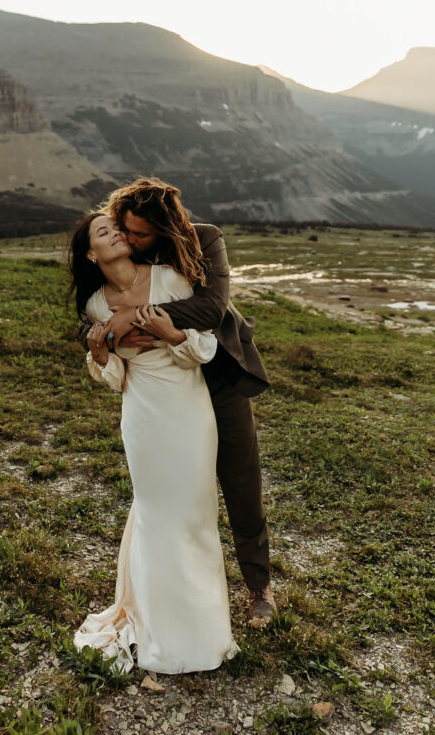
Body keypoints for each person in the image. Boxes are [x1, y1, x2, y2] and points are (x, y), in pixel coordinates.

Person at [96, 177, 276, 629]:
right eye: (126, 231)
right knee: (178, 495)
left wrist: (135, 318)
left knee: (241, 482)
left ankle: (259, 589)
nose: (130, 240)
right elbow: (94, 305)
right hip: (169, 392)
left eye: (140, 234)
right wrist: (101, 330)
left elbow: (212, 308)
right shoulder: (129, 250)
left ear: (164, 227)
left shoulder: (206, 239)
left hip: (218, 380)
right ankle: (180, 593)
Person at [68, 212, 238, 674]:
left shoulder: (170, 279)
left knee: (195, 515)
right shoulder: (96, 307)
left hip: (188, 409)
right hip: (143, 416)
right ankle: (158, 628)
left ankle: (204, 631)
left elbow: (202, 350)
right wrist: (101, 356)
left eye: (117, 228)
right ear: (91, 254)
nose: (117, 233)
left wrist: (171, 334)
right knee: (156, 513)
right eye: (105, 232)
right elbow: (115, 377)